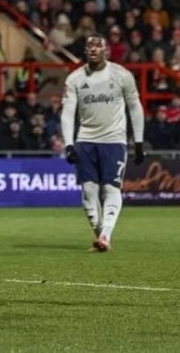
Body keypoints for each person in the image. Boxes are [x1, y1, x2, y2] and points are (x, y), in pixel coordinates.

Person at [61, 34, 145, 252]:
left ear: (106, 50)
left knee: (111, 188)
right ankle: (101, 236)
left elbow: (135, 107)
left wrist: (139, 142)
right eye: (90, 46)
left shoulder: (121, 75)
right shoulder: (75, 79)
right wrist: (69, 144)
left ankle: (105, 235)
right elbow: (68, 114)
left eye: (98, 46)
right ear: (85, 51)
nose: (93, 49)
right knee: (89, 191)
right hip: (86, 140)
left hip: (114, 141)